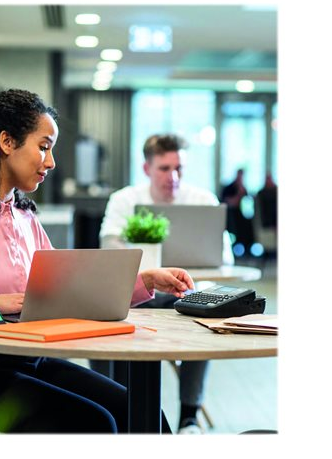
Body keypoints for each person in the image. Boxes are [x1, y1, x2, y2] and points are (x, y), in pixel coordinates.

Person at [0, 89, 194, 433]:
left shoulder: (25, 219)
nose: (51, 162)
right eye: (43, 147)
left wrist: (145, 280)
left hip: (30, 358)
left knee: (143, 413)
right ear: (7, 142)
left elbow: (67, 295)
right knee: (99, 423)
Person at [97, 133, 234, 434]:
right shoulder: (125, 199)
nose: (173, 176)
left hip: (184, 293)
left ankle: (189, 418)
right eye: (164, 168)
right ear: (147, 168)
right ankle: (113, 404)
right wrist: (148, 270)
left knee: (205, 316)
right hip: (137, 295)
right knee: (100, 312)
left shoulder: (202, 200)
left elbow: (225, 255)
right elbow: (109, 245)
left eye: (179, 168)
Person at [221, 168, 255, 255]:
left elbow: (247, 204)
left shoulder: (244, 189)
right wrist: (239, 194)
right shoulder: (228, 188)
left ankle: (248, 248)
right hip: (230, 216)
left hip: (242, 216)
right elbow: (229, 203)